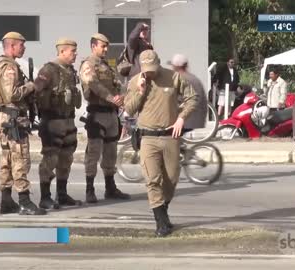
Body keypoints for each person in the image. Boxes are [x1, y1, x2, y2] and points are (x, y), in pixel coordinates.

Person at [125, 50, 198, 237]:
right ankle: (161, 222)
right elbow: (129, 109)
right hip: (147, 137)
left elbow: (192, 98)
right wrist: (140, 92)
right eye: (146, 69)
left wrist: (182, 118)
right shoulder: (135, 82)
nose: (150, 73)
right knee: (152, 179)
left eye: (153, 68)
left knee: (171, 179)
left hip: (170, 136)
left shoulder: (173, 77)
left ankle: (162, 210)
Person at [0, 31, 45, 215]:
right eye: (21, 45)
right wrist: (32, 86)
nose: (24, 48)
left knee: (7, 159)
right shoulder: (9, 67)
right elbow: (11, 94)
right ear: (11, 46)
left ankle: (6, 200)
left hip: (5, 117)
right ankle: (24, 201)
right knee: (20, 158)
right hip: (13, 118)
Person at [79, 33, 131, 203]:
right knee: (93, 152)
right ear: (94, 46)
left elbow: (118, 84)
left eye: (107, 46)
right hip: (97, 114)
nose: (106, 49)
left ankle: (110, 188)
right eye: (103, 46)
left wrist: (122, 97)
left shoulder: (107, 66)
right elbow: (93, 84)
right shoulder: (88, 64)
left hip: (111, 114)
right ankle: (89, 189)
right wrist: (111, 98)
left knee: (111, 152)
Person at [34, 38, 82, 209]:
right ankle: (45, 197)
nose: (75, 54)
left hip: (68, 120)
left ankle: (61, 194)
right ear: (62, 52)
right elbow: (36, 89)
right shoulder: (49, 69)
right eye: (72, 51)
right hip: (52, 121)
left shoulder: (70, 71)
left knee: (66, 159)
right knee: (50, 159)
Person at [169, 54, 207, 132]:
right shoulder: (193, 78)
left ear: (176, 66)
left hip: (188, 119)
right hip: (197, 117)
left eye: (172, 66)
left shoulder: (183, 79)